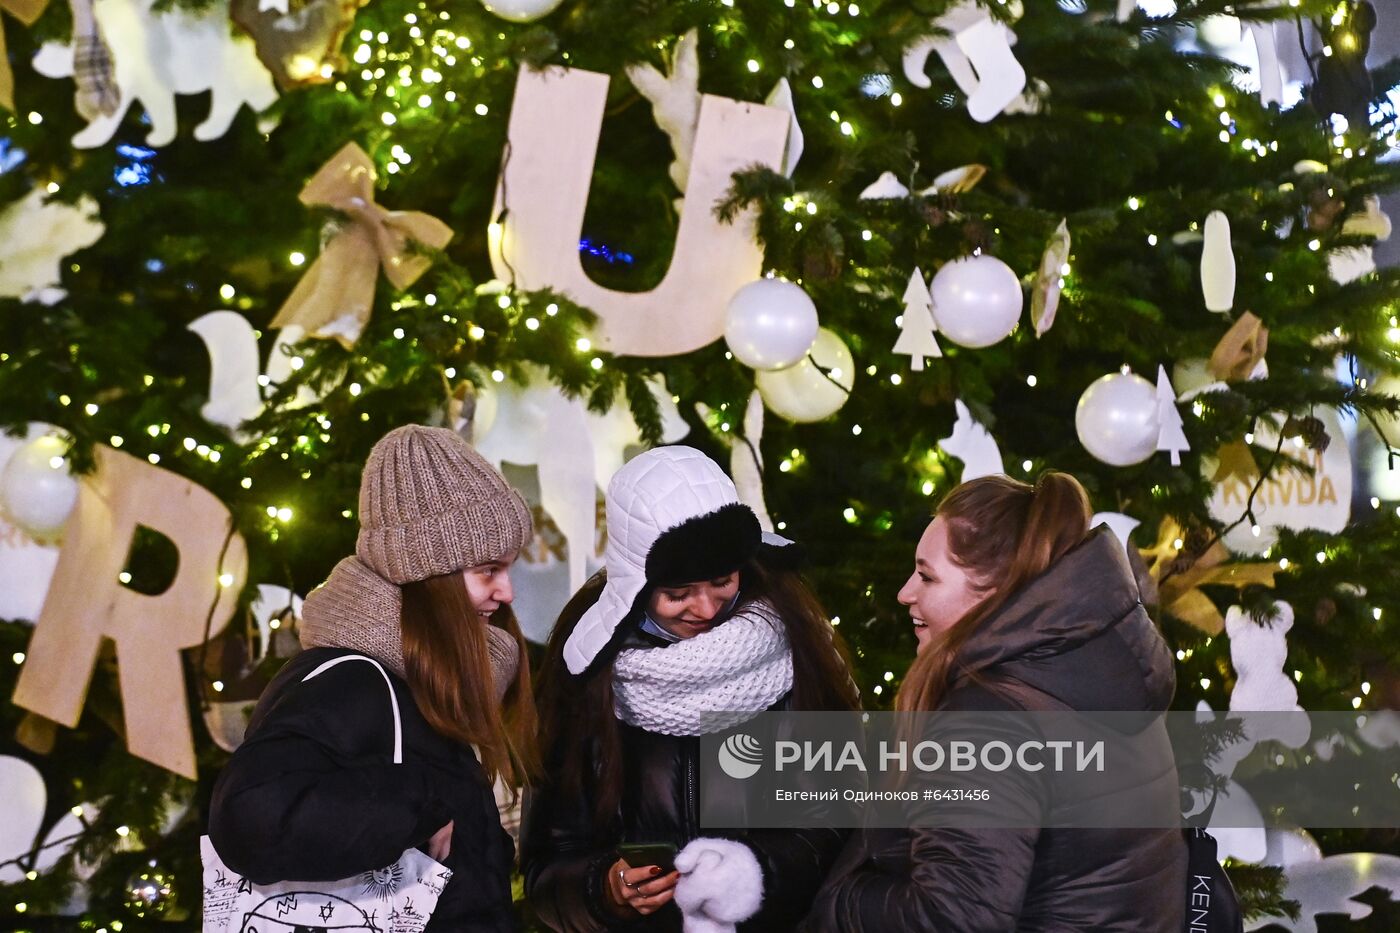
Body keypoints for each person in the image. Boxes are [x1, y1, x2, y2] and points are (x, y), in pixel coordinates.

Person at [804, 473, 1186, 932]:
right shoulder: (1097, 668)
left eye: (927, 576)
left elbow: (950, 920)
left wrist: (836, 897)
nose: (906, 592)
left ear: (996, 591)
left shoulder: (989, 720)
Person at [208, 425, 539, 933]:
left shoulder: (420, 678)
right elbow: (251, 817)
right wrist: (422, 801)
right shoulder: (352, 679)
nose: (507, 592)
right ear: (431, 574)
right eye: (487, 570)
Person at [522, 445, 860, 933]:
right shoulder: (585, 677)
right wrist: (604, 888)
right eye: (677, 593)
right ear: (633, 585)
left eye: (722, 581)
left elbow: (838, 824)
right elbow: (546, 866)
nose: (705, 609)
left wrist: (755, 874)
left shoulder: (796, 652)